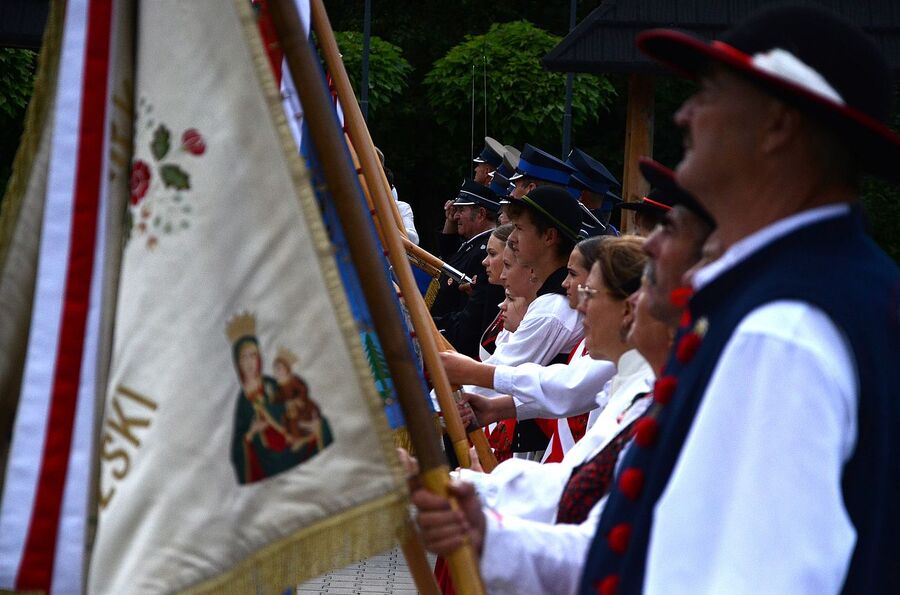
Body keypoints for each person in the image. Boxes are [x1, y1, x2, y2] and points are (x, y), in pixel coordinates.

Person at [581, 7, 900, 594]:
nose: (684, 115)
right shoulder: (836, 286)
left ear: (779, 125)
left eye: (708, 93)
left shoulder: (781, 327)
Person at [411, 239, 660, 595]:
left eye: (588, 290)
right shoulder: (633, 385)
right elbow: (570, 492)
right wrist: (474, 491)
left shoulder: (650, 396)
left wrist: (482, 510)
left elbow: (567, 389)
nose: (580, 303)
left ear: (631, 308)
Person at [431, 180, 504, 358]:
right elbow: (448, 258)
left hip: (458, 346)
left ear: (480, 214)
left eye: (461, 210)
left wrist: (437, 327)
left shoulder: (483, 250)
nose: (455, 216)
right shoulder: (472, 245)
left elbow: (472, 313)